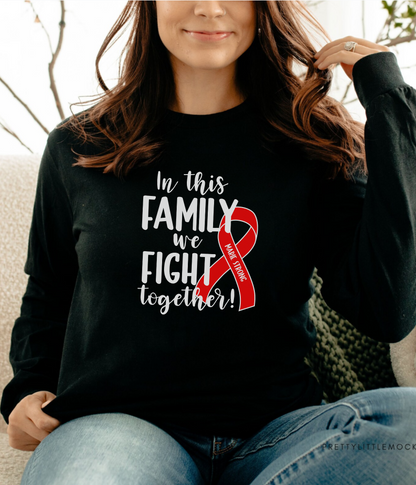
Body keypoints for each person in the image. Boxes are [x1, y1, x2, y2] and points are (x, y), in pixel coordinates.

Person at [1, 1, 416, 484]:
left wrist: (389, 101)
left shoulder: (313, 144)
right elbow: (50, 292)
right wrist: (25, 391)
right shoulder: (83, 146)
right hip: (120, 430)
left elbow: (389, 309)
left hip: (279, 439)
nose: (209, 8)